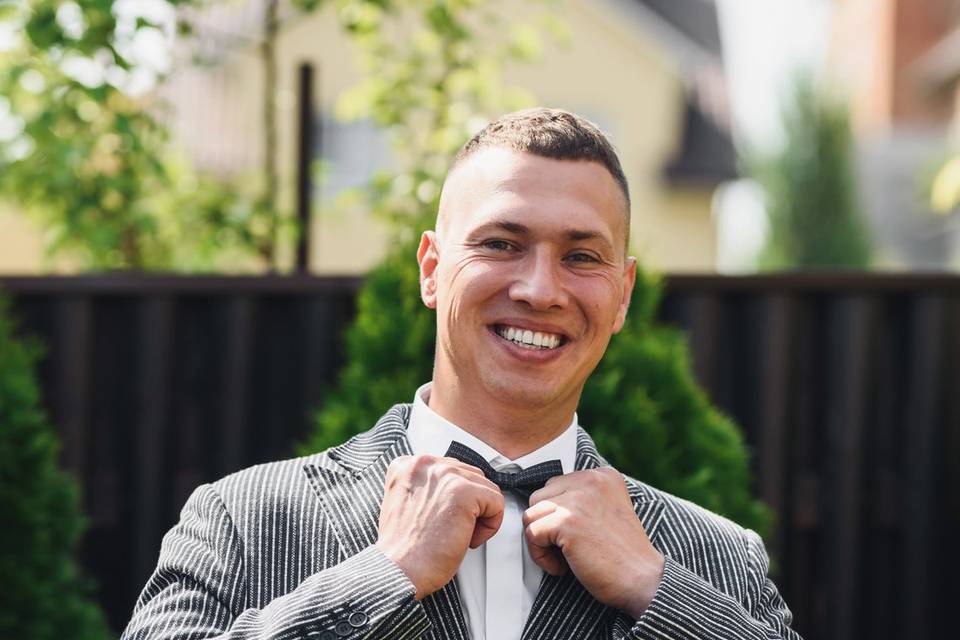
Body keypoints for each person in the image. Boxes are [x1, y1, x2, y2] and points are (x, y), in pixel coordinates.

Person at [122, 108, 802, 640]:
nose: (540, 289)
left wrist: (656, 589)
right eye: (501, 244)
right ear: (431, 269)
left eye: (582, 257)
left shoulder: (717, 559)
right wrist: (379, 577)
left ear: (622, 296)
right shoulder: (245, 519)